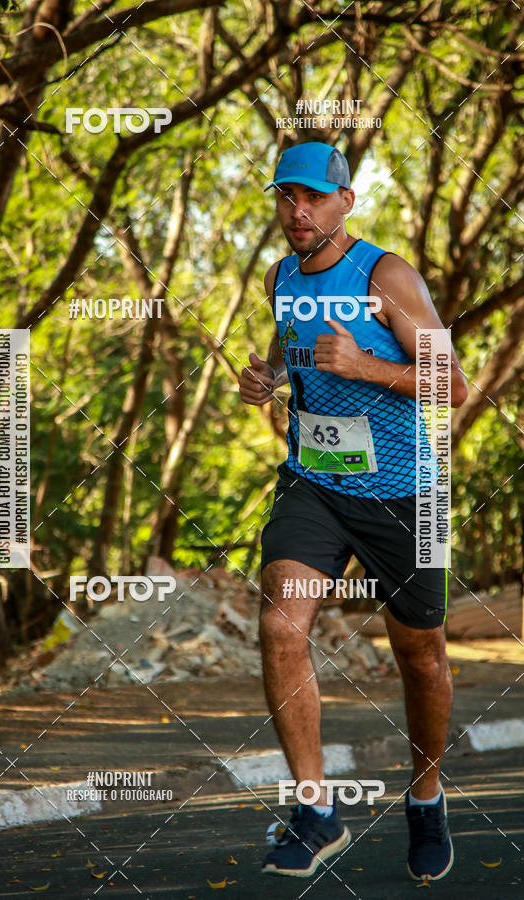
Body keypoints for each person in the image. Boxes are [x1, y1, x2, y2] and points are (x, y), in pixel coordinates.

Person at [238, 141, 468, 881]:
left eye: (311, 197)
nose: (297, 210)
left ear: (346, 201)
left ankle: (426, 797)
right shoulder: (280, 275)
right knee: (280, 624)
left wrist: (366, 365)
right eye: (285, 196)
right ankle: (316, 812)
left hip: (408, 495)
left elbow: (454, 385)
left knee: (422, 658)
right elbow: (291, 343)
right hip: (315, 485)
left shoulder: (385, 274)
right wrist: (269, 374)